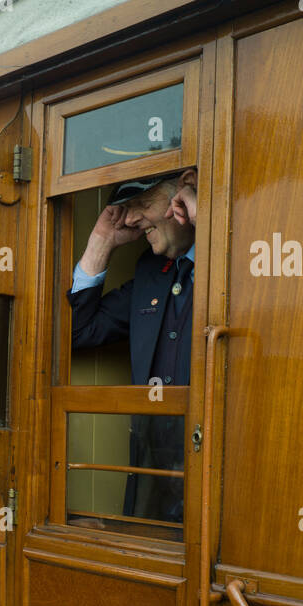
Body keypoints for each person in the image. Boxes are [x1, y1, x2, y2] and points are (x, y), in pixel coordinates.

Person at [67, 168, 198, 523]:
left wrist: (206, 216)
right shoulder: (151, 272)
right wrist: (101, 242)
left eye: (142, 202)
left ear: (185, 189)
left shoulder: (238, 258)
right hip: (153, 475)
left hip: (219, 468)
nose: (132, 217)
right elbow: (78, 331)